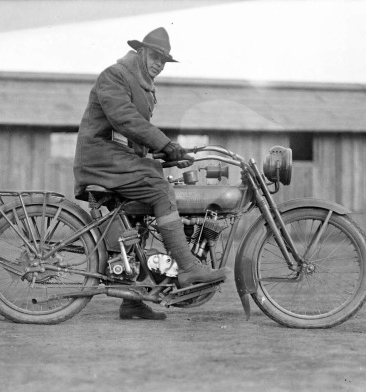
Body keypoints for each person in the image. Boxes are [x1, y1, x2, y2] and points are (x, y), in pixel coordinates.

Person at [74, 27, 230, 320]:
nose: (159, 64)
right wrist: (166, 144)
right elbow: (125, 120)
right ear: (141, 52)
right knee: (159, 190)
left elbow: (134, 138)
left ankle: (133, 299)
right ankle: (188, 267)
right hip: (100, 158)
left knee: (147, 201)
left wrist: (170, 155)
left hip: (116, 159)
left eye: (164, 60)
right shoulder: (116, 75)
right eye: (155, 57)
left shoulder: (141, 83)